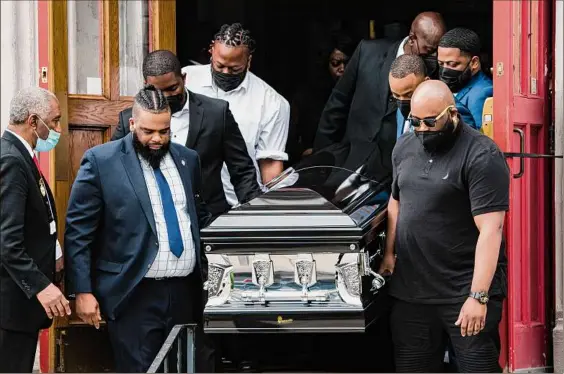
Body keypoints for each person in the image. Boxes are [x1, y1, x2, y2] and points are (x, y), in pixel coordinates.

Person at [64, 85, 212, 373]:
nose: (157, 139)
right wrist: (82, 290)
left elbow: (199, 216)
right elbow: (78, 231)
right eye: (148, 131)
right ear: (132, 124)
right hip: (133, 293)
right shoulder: (101, 161)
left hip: (185, 293)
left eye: (164, 131)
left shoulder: (188, 160)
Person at [380, 80, 509, 373]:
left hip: (463, 291)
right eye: (415, 122)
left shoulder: (481, 155)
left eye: (429, 122)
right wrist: (389, 253)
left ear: (452, 114)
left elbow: (492, 230)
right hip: (412, 291)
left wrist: (478, 297)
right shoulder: (404, 146)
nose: (422, 129)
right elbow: (395, 201)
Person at [111, 50, 260, 218]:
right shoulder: (129, 120)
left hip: (207, 222)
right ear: (146, 85)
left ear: (184, 78)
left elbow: (242, 172)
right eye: (159, 91)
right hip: (151, 223)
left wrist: (253, 218)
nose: (166, 96)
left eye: (172, 88)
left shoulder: (217, 113)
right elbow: (113, 173)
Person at [313, 12, 446, 183]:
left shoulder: (434, 73)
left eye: (437, 50)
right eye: (429, 49)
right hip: (349, 162)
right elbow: (337, 103)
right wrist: (321, 160)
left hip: (395, 174)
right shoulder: (368, 51)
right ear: (412, 38)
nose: (434, 55)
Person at [0, 87, 70, 372]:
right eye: (53, 121)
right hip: (11, 307)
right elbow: (7, 241)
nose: (58, 129)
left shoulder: (21, 154)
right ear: (32, 121)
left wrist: (56, 256)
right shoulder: (11, 161)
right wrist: (41, 286)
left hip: (22, 309)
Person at [182, 23, 290, 206]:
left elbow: (270, 166)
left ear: (249, 61)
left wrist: (272, 211)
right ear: (211, 50)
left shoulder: (272, 103)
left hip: (238, 206)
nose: (225, 73)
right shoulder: (186, 81)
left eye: (234, 69)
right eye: (220, 65)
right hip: (184, 199)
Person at [288, 32, 358, 163]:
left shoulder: (360, 93)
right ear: (326, 64)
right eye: (336, 63)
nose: (342, 69)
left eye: (348, 63)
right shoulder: (307, 96)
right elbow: (291, 136)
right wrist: (303, 151)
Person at [438, 27, 493, 130]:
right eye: (441, 64)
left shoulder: (483, 93)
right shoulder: (456, 86)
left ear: (474, 63)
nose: (445, 70)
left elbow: (480, 137)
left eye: (452, 64)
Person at [388, 54, 429, 139]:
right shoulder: (399, 112)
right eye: (396, 95)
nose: (402, 101)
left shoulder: (436, 118)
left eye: (409, 95)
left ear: (426, 83)